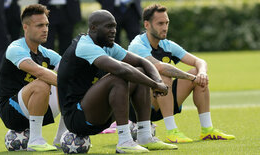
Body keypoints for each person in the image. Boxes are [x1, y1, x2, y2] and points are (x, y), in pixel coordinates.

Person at [57, 10, 178, 154]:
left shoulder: (107, 45)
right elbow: (121, 70)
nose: (113, 31)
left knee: (139, 71)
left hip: (97, 112)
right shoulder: (84, 46)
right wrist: (154, 85)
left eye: (114, 26)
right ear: (94, 28)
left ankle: (145, 136)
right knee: (119, 77)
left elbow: (142, 61)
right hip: (76, 117)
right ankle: (124, 141)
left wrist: (157, 80)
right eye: (108, 27)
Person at [128, 4, 235, 143]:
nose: (165, 27)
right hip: (138, 106)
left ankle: (207, 130)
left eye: (167, 23)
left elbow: (199, 61)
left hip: (161, 101)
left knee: (197, 71)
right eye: (160, 23)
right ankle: (172, 132)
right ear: (147, 25)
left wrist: (201, 73)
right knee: (163, 76)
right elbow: (159, 67)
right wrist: (192, 78)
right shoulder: (137, 45)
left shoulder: (166, 44)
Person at [0, 4, 67, 151]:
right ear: (25, 27)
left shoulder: (47, 53)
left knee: (69, 82)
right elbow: (39, 72)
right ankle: (35, 140)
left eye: (47, 25)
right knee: (43, 82)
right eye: (40, 25)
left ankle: (62, 137)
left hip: (38, 108)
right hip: (12, 111)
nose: (45, 29)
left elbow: (70, 71)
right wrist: (68, 85)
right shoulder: (15, 48)